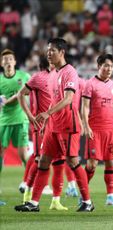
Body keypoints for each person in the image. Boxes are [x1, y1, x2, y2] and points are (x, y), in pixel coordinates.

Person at [14, 38, 93, 212]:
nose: (48, 53)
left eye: (52, 51)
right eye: (47, 50)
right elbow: (54, 101)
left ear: (62, 52)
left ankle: (87, 202)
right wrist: (46, 120)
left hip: (68, 124)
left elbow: (68, 99)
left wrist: (47, 113)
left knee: (72, 161)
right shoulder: (52, 74)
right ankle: (34, 203)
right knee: (43, 161)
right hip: (53, 125)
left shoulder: (69, 72)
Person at [17, 56, 67, 210]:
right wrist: (30, 117)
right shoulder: (38, 77)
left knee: (59, 162)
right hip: (41, 126)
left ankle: (56, 200)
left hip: (56, 125)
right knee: (39, 159)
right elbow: (20, 94)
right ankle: (28, 194)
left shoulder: (59, 77)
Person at [82, 53, 113, 206]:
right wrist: (86, 125)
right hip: (95, 129)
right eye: (106, 65)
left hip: (109, 130)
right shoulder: (90, 84)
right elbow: (84, 108)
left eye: (111, 66)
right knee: (92, 164)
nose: (108, 69)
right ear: (99, 66)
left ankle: (110, 197)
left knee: (111, 163)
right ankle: (83, 193)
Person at [0, 48, 30, 203]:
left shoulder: (23, 76)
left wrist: (5, 101)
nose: (8, 62)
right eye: (5, 60)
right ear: (1, 63)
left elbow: (26, 94)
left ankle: (31, 184)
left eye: (10, 59)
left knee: (23, 155)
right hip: (3, 121)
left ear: (15, 62)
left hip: (20, 120)